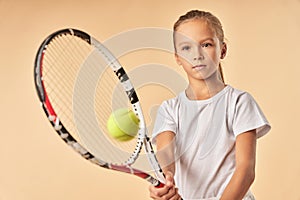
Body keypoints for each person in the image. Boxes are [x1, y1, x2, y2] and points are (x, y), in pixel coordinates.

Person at [149, 10, 271, 200]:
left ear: (222, 49)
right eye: (186, 48)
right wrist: (167, 181)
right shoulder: (170, 109)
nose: (197, 55)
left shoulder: (239, 103)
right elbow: (166, 157)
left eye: (206, 44)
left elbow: (246, 170)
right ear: (177, 58)